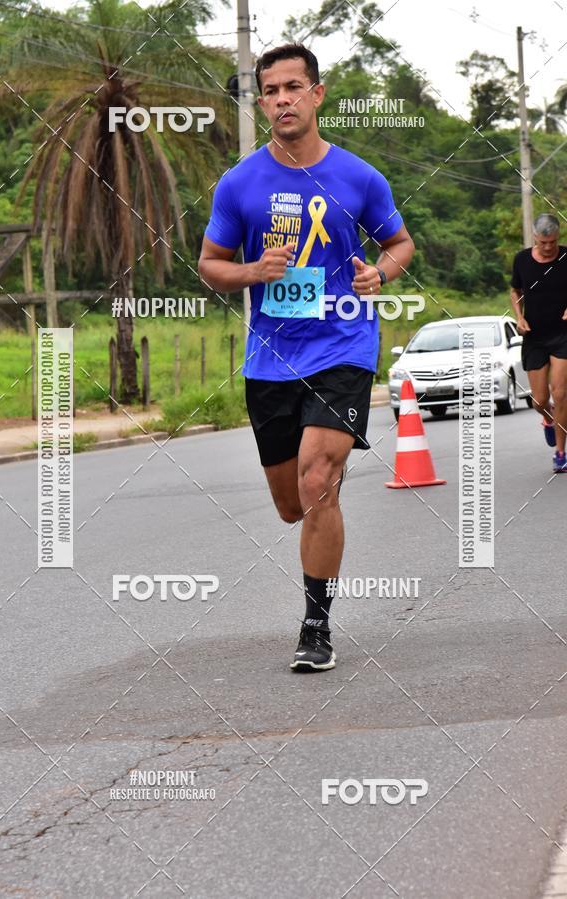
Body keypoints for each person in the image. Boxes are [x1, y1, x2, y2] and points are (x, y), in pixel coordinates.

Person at [198, 43, 414, 671]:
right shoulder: (239, 184)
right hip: (271, 359)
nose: (282, 99)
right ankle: (319, 518)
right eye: (270, 91)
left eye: (294, 87)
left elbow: (400, 243)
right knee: (292, 503)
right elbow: (210, 264)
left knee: (318, 482)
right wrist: (251, 271)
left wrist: (379, 273)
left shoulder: (359, 177)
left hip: (343, 344)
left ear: (317, 94)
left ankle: (316, 627)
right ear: (261, 102)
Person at [510, 213, 567, 473]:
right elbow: (516, 291)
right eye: (543, 243)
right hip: (534, 337)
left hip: (562, 335)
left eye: (553, 242)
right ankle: (548, 418)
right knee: (540, 401)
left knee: (561, 393)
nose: (548, 247)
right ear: (535, 237)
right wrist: (519, 317)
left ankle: (560, 453)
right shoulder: (522, 260)